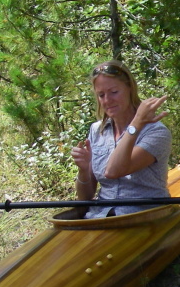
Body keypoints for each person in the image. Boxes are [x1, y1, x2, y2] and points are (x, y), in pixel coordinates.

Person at [71, 60, 171, 218]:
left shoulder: (157, 132)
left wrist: (136, 124)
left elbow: (114, 171)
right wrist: (83, 170)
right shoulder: (96, 130)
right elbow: (85, 198)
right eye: (101, 95)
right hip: (101, 215)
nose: (107, 100)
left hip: (144, 215)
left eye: (114, 92)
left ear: (130, 88)